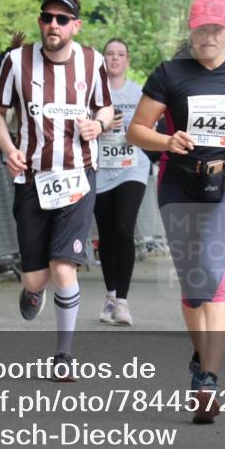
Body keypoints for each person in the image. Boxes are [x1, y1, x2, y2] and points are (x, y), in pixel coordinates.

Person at [127, 0, 225, 423]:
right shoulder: (170, 74)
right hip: (179, 183)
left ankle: (208, 378)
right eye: (201, 28)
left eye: (216, 28)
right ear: (190, 31)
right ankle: (200, 354)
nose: (208, 35)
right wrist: (166, 141)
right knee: (194, 286)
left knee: (215, 276)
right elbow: (137, 131)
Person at [0, 0, 113, 380]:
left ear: (76, 25)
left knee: (64, 267)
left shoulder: (92, 62)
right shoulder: (16, 62)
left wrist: (100, 123)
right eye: (47, 18)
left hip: (78, 176)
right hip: (31, 178)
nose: (53, 25)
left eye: (62, 19)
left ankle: (63, 355)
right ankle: (31, 290)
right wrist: (9, 148)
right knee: (37, 277)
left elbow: (105, 107)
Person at [93, 38, 151, 326]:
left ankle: (123, 303)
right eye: (109, 54)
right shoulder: (92, 92)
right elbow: (79, 126)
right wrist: (99, 124)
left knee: (124, 227)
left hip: (132, 168)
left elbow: (149, 128)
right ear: (103, 60)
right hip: (102, 170)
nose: (115, 59)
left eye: (120, 54)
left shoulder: (139, 93)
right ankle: (111, 295)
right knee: (106, 234)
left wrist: (128, 127)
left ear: (127, 61)